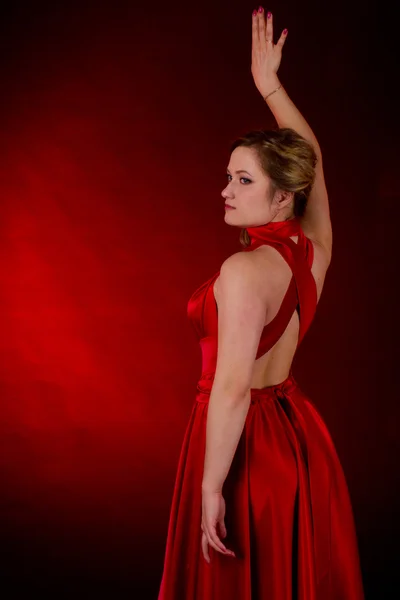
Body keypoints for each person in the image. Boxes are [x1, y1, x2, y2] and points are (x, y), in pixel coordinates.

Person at [158, 7, 365, 599]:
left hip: (245, 448)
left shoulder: (244, 270)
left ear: (283, 198)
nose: (225, 190)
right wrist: (272, 89)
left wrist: (210, 487)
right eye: (228, 175)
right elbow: (314, 164)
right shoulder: (314, 251)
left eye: (244, 180)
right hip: (299, 436)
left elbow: (230, 390)